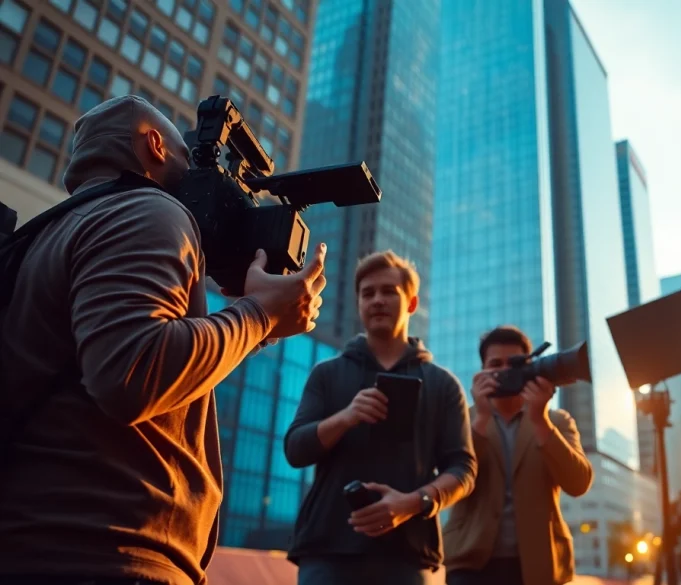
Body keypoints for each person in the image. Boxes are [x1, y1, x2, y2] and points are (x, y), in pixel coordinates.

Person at [0, 95, 327, 585]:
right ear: (153, 144)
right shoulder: (149, 210)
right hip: (110, 553)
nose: (202, 174)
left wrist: (259, 327)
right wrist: (259, 314)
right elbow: (132, 374)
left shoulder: (50, 236)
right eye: (187, 154)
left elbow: (125, 364)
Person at [283, 250, 477, 585]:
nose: (377, 300)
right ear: (358, 305)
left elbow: (463, 469)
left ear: (412, 303)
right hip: (327, 553)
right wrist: (345, 417)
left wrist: (414, 503)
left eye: (389, 291)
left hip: (409, 554)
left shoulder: (444, 384)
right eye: (368, 293)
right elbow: (295, 449)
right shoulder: (326, 374)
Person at [443, 326, 594, 585]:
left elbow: (578, 484)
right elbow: (450, 478)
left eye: (513, 363)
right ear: (481, 371)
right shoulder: (463, 419)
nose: (504, 371)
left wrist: (540, 421)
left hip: (540, 566)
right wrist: (481, 419)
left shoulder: (557, 421)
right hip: (470, 564)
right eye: (495, 364)